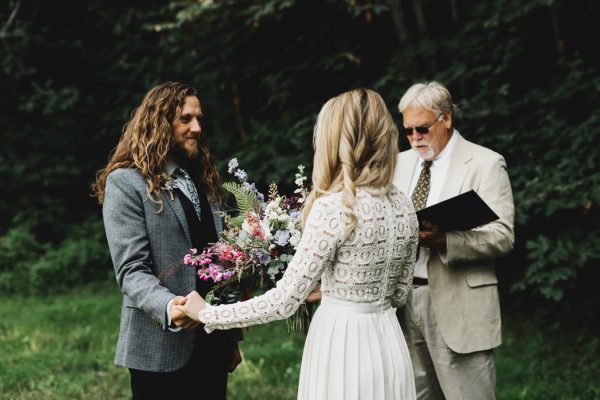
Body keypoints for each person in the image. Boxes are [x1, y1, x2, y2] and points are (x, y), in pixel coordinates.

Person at [178, 88, 419, 399]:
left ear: (334, 140)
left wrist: (207, 313)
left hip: (343, 346)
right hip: (388, 342)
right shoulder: (404, 204)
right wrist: (341, 289)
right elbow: (400, 292)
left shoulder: (335, 207)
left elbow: (283, 302)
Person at [93, 82, 241, 399]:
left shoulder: (204, 178)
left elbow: (222, 261)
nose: (197, 127)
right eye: (186, 119)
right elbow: (131, 269)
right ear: (161, 123)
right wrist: (169, 307)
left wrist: (230, 337)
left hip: (211, 341)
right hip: (158, 346)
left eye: (199, 118)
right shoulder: (126, 183)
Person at [392, 81, 515, 400]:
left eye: (422, 128)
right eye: (408, 131)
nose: (415, 138)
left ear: (446, 118)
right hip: (402, 304)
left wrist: (446, 239)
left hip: (458, 301)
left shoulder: (485, 163)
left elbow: (503, 236)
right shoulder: (398, 164)